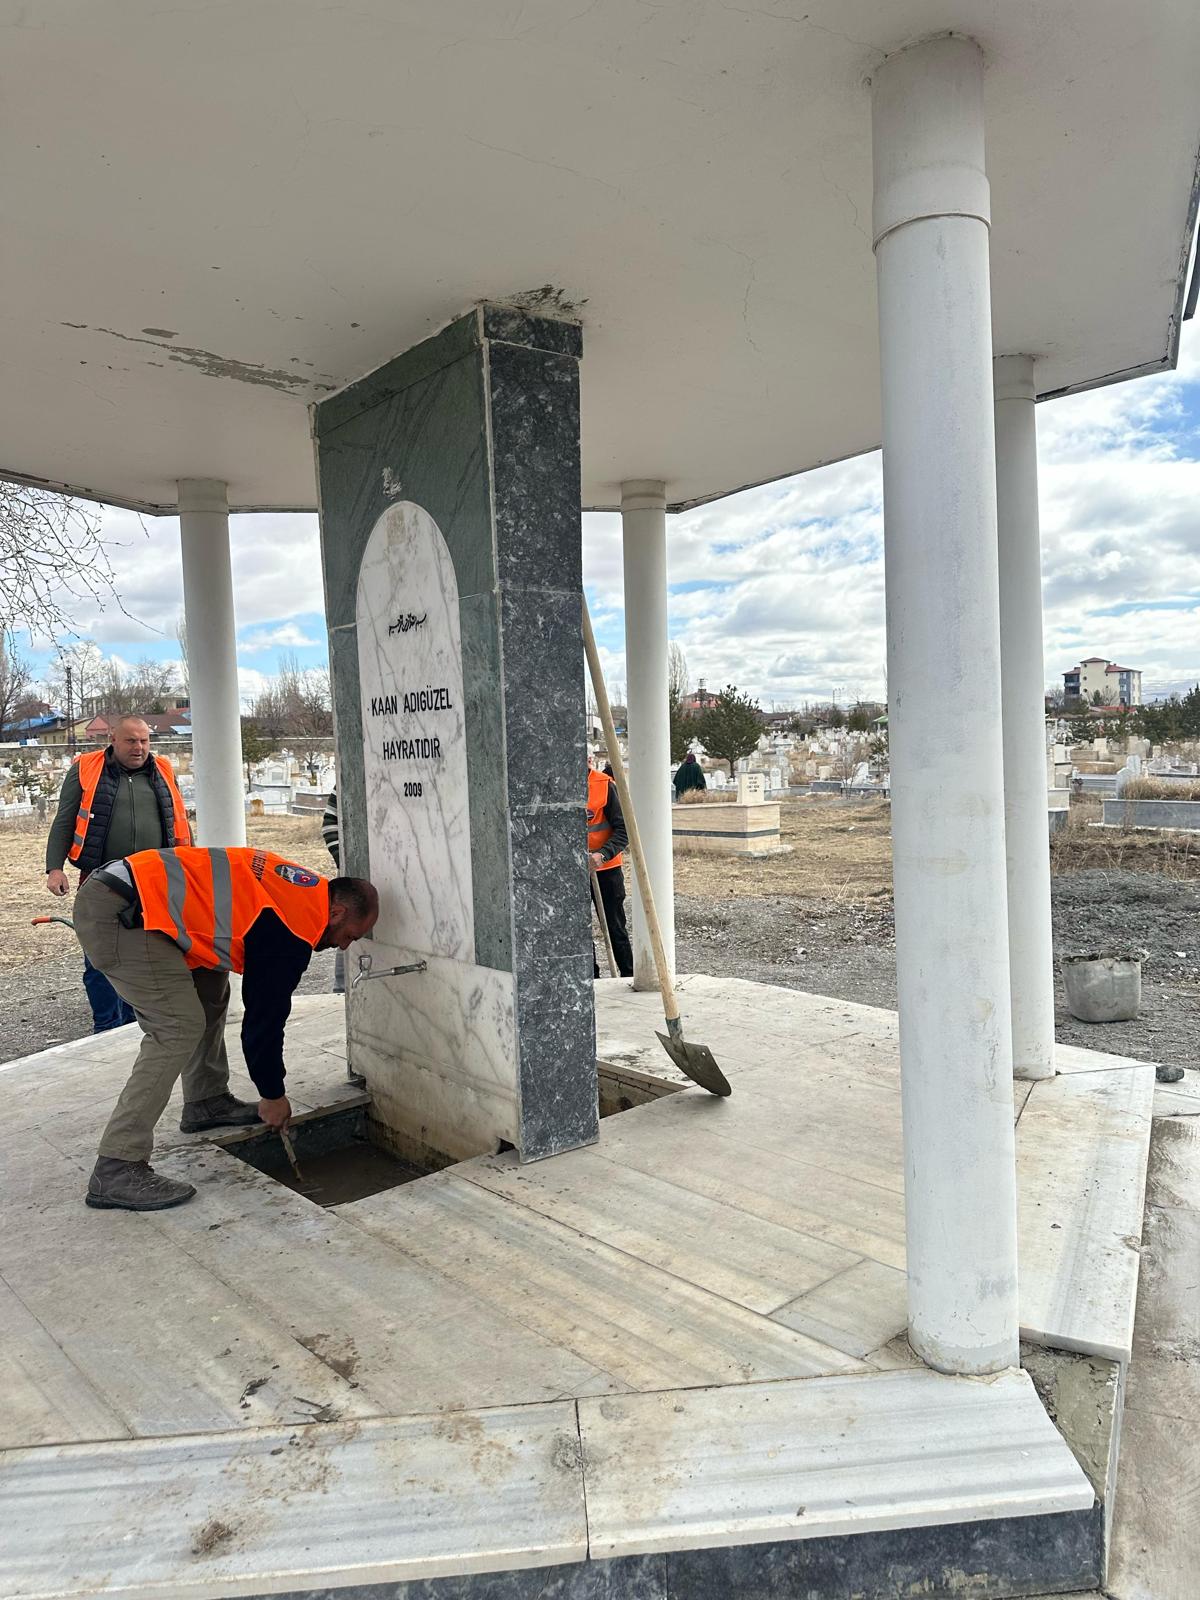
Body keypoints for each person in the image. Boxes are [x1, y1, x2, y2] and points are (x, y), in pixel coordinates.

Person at [73, 845, 379, 1211]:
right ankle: (117, 1166)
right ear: (337, 911)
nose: (343, 946)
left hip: (143, 902)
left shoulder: (304, 893)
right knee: (177, 1027)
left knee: (210, 990)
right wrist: (272, 1093)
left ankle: (205, 1100)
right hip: (123, 913)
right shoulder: (293, 927)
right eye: (349, 935)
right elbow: (264, 1020)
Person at [45, 715, 191, 1032]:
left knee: (146, 957)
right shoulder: (86, 768)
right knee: (100, 959)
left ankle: (134, 1022)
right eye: (130, 740)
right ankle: (106, 1025)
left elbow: (179, 821)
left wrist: (192, 869)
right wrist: (54, 868)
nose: (138, 747)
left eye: (144, 741)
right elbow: (64, 819)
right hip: (100, 882)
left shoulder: (163, 770)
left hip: (153, 882)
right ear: (113, 739)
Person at [587, 756, 633, 979]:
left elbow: (624, 830)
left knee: (615, 926)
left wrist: (602, 854)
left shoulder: (604, 785)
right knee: (579, 929)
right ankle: (590, 977)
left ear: (589, 760)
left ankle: (627, 974)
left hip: (606, 870)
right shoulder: (559, 785)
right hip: (574, 872)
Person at [321, 786, 345, 995]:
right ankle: (342, 993)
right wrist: (348, 864)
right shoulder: (345, 781)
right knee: (347, 932)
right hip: (357, 880)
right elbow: (330, 825)